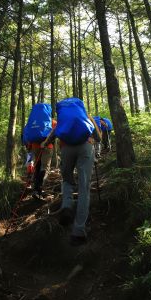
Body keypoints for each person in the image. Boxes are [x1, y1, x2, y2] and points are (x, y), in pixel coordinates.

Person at [42, 105, 101, 246]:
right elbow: (97, 137)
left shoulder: (63, 119)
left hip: (66, 148)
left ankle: (67, 205)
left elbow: (54, 133)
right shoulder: (86, 116)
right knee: (84, 187)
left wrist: (45, 143)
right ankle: (78, 232)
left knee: (67, 179)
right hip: (86, 147)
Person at [30, 118, 57, 200]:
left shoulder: (33, 121)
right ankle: (38, 190)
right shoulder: (52, 122)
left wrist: (29, 146)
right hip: (47, 147)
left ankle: (35, 188)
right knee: (45, 167)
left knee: (37, 166)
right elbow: (56, 133)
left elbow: (27, 133)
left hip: (35, 146)